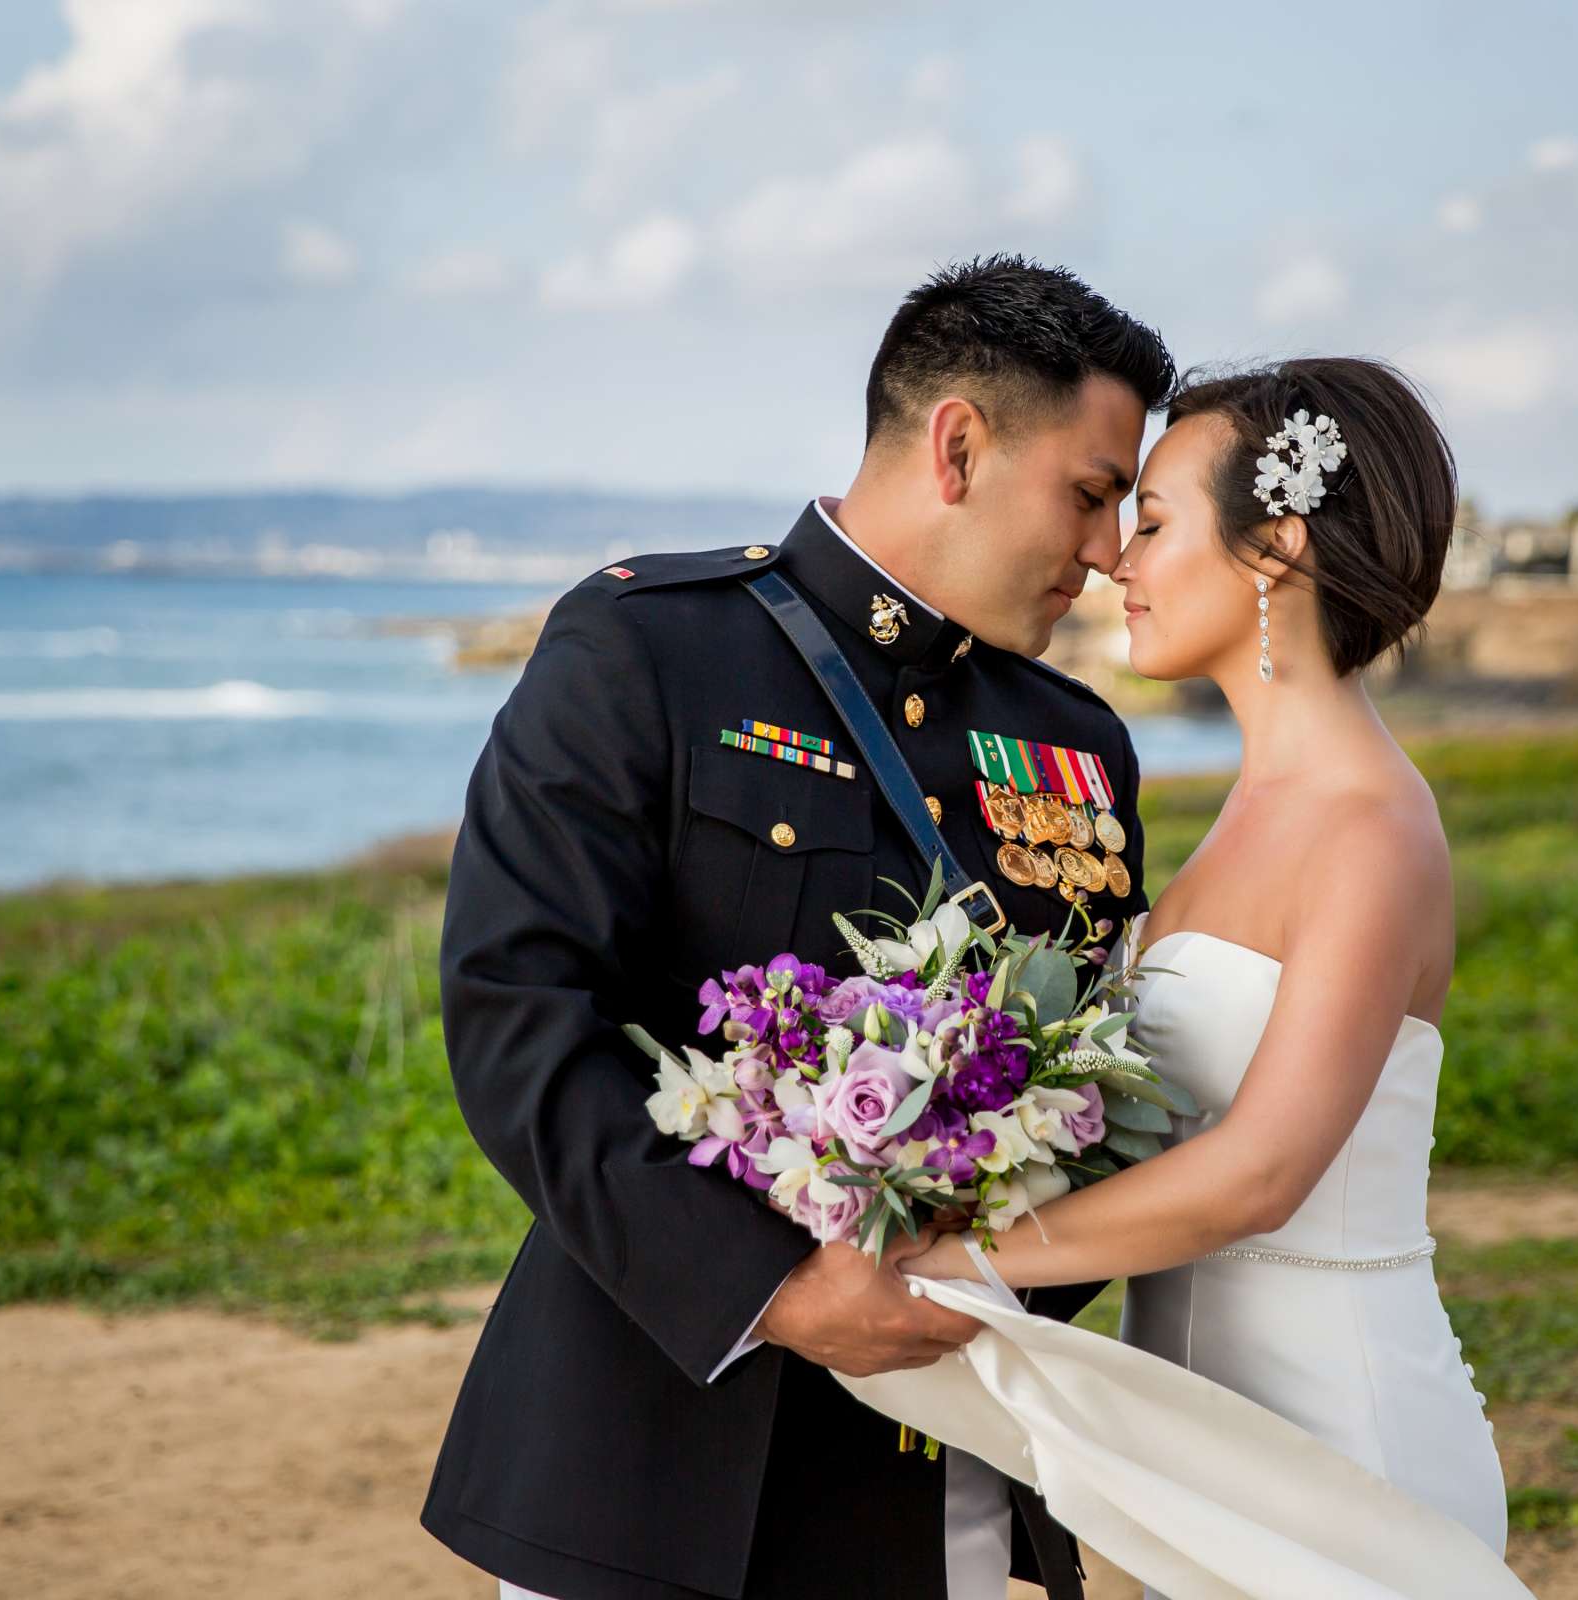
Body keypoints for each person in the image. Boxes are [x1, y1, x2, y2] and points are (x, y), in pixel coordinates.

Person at [422, 255, 1177, 1600]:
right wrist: (764, 1291)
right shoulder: (651, 648)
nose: (1109, 552)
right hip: (644, 1459)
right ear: (959, 445)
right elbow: (518, 1013)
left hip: (928, 1468)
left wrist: (983, 1294)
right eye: (1091, 492)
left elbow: (1103, 1095)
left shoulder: (1074, 743)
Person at [902, 358, 1513, 1573]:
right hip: (1197, 1444)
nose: (1117, 563)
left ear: (1275, 548)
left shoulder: (1368, 827)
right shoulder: (1252, 805)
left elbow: (1263, 1170)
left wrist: (946, 1266)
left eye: (1158, 523)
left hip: (1338, 1444)